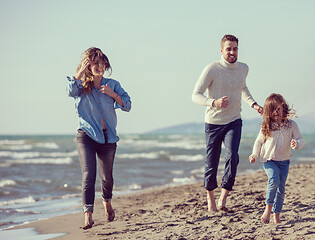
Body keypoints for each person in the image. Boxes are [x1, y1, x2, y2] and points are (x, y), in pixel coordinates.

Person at [192, 34, 263, 212]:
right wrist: (213, 102)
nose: (232, 52)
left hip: (234, 120)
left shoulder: (243, 68)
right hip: (213, 122)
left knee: (233, 157)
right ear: (221, 50)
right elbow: (195, 95)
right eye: (228, 49)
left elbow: (242, 88)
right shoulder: (212, 69)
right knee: (212, 162)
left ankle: (223, 198)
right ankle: (211, 199)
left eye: (235, 48)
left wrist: (253, 103)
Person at [66, 47, 131, 229]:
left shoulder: (113, 84)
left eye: (101, 63)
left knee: (107, 177)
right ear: (88, 65)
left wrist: (113, 94)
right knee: (88, 175)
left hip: (108, 138)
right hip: (86, 135)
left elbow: (127, 105)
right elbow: (69, 91)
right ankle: (88, 216)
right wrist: (79, 73)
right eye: (94, 63)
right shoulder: (80, 86)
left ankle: (107, 202)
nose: (98, 66)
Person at [249, 93, 304, 224]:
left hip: (284, 161)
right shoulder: (266, 126)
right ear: (268, 112)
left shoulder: (291, 125)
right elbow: (258, 142)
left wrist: (296, 144)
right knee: (273, 180)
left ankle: (276, 215)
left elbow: (300, 139)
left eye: (278, 109)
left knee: (281, 189)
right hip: (269, 160)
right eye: (272, 109)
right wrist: (254, 155)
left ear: (283, 108)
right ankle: (267, 210)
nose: (276, 112)